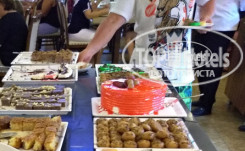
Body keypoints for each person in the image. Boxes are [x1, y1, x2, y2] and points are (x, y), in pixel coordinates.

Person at [78, 0, 216, 103]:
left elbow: (207, 2)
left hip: (180, 74)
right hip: (143, 72)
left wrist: (205, 18)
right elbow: (114, 19)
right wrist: (90, 50)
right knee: (140, 124)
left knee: (180, 127)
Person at [191, 0, 241, 116]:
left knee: (212, 65)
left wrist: (239, 28)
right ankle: (203, 98)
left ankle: (206, 104)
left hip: (223, 24)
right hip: (200, 22)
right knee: (200, 62)